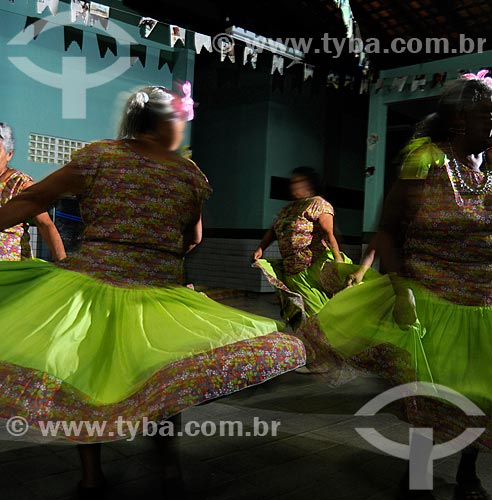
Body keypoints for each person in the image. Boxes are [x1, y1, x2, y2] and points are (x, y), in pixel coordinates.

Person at [0, 85, 305, 498]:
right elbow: (194, 236)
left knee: (87, 376)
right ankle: (168, 469)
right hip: (159, 289)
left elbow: (34, 198)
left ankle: (92, 476)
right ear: (167, 124)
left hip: (94, 285)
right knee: (164, 379)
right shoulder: (188, 173)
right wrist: (156, 253)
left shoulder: (100, 156)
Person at [297, 73, 492, 500]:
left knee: (482, 393)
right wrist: (401, 288)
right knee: (429, 395)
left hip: (483, 300)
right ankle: (418, 477)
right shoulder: (426, 159)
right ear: (459, 117)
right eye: (485, 116)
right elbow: (386, 231)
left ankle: (468, 473)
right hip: (429, 296)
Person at [252, 167, 352, 327]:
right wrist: (260, 248)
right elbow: (273, 231)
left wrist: (338, 262)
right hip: (294, 272)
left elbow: (329, 233)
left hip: (314, 267)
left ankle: (333, 344)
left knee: (323, 315)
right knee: (306, 317)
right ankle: (313, 344)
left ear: (310, 185)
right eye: (292, 183)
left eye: (298, 182)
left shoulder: (318, 204)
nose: (293, 186)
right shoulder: (287, 209)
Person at [0, 122, 66, 261]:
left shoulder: (21, 184)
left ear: (9, 154)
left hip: (12, 271)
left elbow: (45, 224)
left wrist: (63, 263)